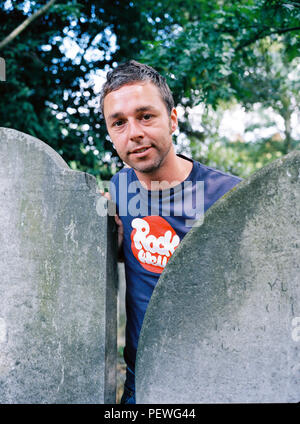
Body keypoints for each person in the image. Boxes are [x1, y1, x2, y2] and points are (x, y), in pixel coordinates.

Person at [100, 60, 241, 404]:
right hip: (140, 376)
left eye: (145, 116)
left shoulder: (228, 197)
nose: (133, 132)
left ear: (173, 120)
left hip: (210, 377)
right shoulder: (119, 187)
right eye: (119, 122)